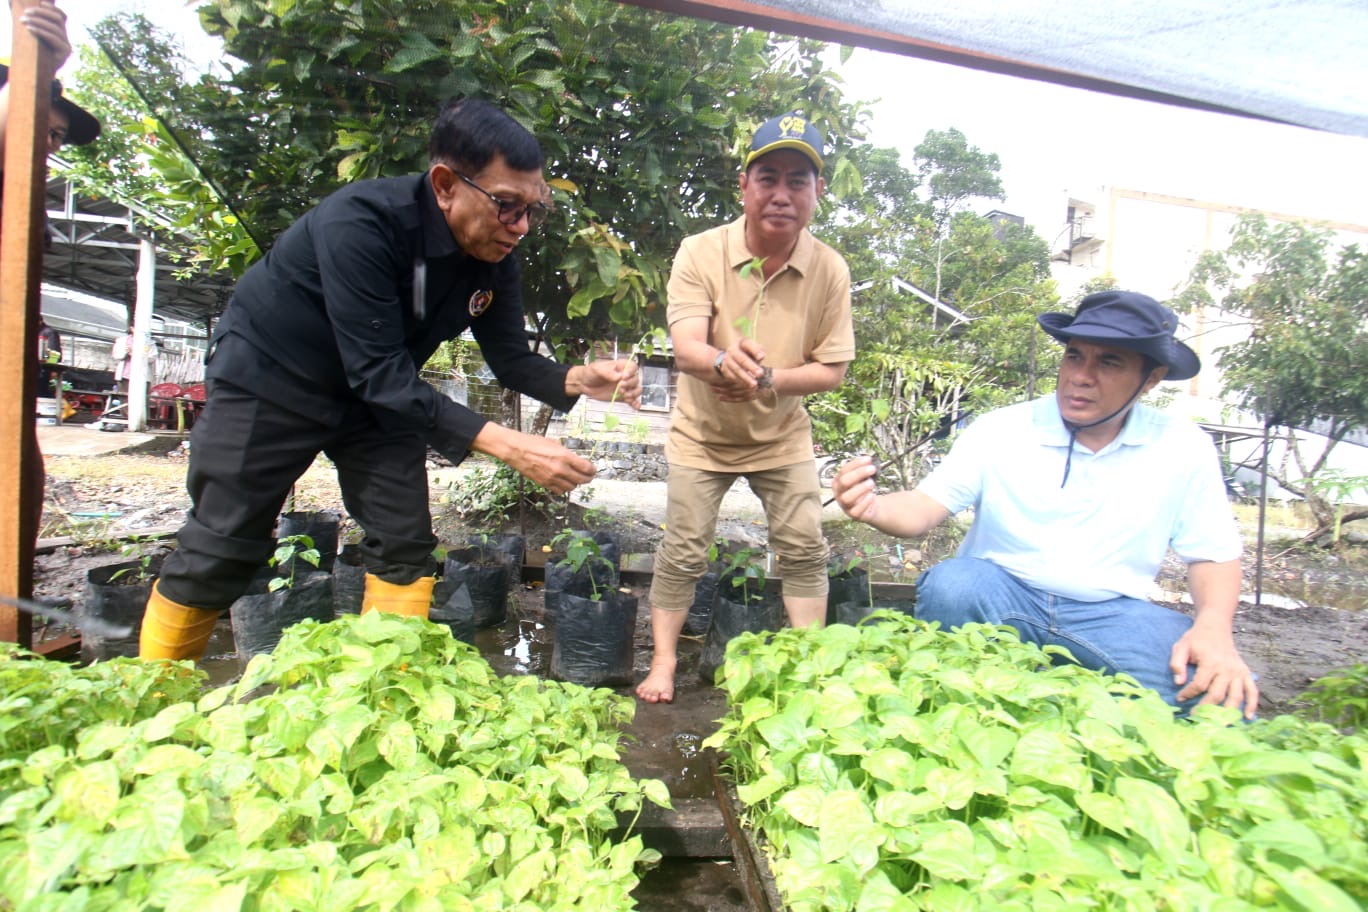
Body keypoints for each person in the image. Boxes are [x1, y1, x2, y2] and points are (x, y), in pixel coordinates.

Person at [139, 98, 641, 661]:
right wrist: (509, 445)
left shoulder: (494, 256)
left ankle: (384, 694)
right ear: (446, 184)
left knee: (404, 545)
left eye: (532, 210)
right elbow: (376, 369)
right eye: (506, 204)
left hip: (378, 396)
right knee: (223, 544)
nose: (520, 226)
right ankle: (154, 694)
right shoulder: (361, 223)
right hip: (272, 376)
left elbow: (511, 360)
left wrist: (580, 378)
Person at [831, 290, 1259, 719]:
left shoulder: (1183, 447)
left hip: (1110, 617)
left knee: (1222, 702)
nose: (1081, 376)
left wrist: (1214, 629)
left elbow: (1213, 554)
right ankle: (967, 699)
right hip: (998, 599)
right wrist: (873, 507)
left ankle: (1058, 691)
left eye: (1109, 363)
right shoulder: (1001, 429)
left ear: (1151, 378)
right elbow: (925, 505)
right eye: (1074, 357)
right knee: (953, 584)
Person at [636, 111, 855, 703]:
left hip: (780, 436)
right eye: (768, 178)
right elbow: (685, 347)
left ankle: (808, 667)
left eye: (797, 181)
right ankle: (662, 665)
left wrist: (768, 379)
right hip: (702, 436)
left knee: (805, 545)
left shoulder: (830, 269)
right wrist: (720, 363)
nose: (781, 195)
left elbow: (831, 369)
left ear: (817, 192)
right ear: (744, 185)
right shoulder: (700, 252)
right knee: (683, 547)